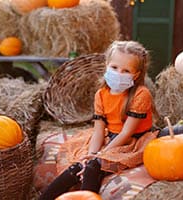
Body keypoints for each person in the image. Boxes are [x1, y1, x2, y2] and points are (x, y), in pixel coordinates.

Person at [39, 40, 159, 200]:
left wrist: (98, 157)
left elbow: (126, 133)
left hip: (131, 142)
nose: (119, 73)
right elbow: (98, 130)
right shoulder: (101, 94)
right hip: (109, 137)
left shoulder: (140, 94)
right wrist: (91, 154)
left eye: (126, 70)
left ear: (136, 75)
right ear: (107, 65)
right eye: (114, 68)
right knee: (78, 166)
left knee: (93, 167)